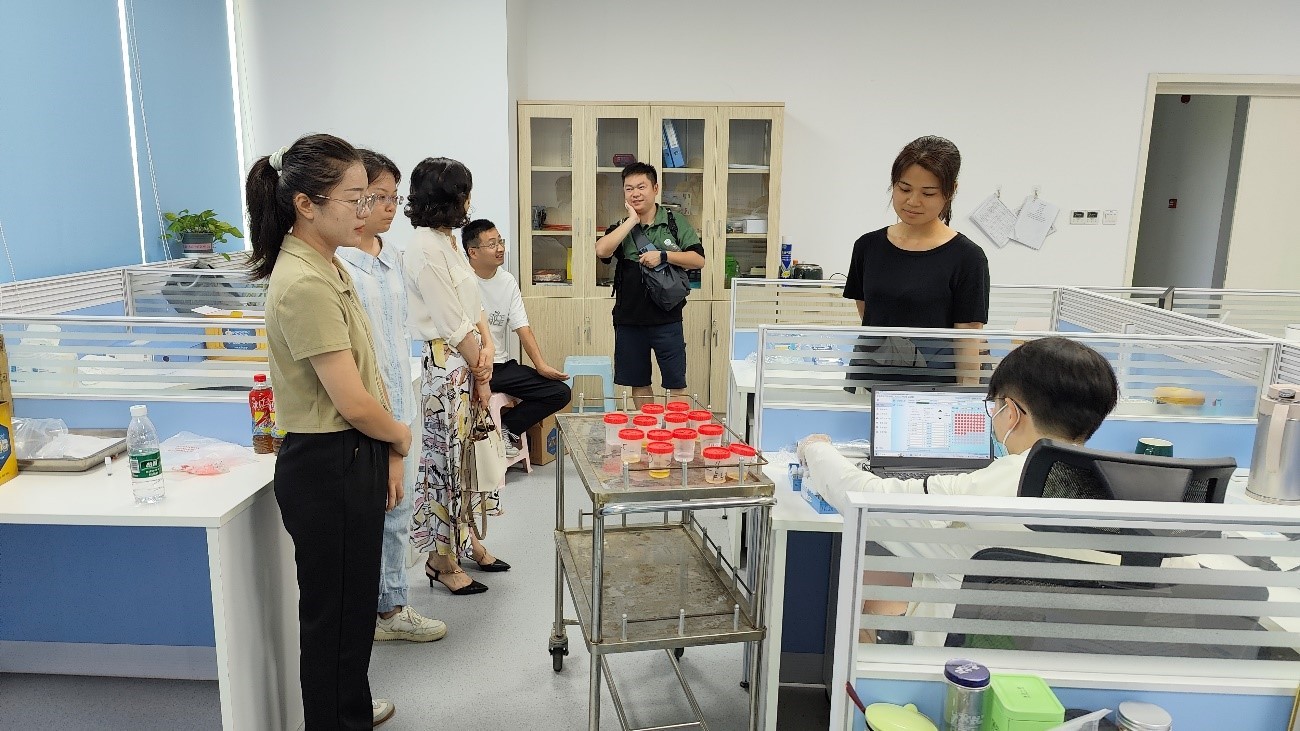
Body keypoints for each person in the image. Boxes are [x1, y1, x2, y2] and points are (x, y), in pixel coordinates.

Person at [798, 336, 1119, 646]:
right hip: (1063, 667)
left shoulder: (978, 492)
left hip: (961, 671)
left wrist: (816, 449)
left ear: (1011, 413)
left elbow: (862, 497)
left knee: (867, 598)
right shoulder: (1119, 488)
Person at [247, 134, 411, 727]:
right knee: (334, 621)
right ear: (306, 205)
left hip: (351, 456)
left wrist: (388, 451)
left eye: (371, 197)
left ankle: (351, 711)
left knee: (349, 614)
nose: (366, 210)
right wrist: (399, 437)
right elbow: (352, 400)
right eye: (355, 197)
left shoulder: (328, 264)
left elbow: (371, 369)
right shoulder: (305, 282)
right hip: (328, 463)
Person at [335, 150, 447, 643]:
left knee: (399, 511)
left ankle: (391, 604)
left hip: (403, 396)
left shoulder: (392, 256)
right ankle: (386, 609)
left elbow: (401, 333)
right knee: (382, 511)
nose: (387, 207)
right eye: (378, 196)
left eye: (393, 198)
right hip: (367, 406)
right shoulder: (340, 264)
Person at [403, 157, 509, 597]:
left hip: (468, 362)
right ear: (451, 198)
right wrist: (482, 374)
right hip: (447, 369)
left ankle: (468, 542)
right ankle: (441, 560)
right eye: (465, 191)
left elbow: (474, 306)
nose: (470, 199)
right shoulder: (424, 249)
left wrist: (488, 353)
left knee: (467, 460)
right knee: (446, 464)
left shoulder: (447, 241)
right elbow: (450, 322)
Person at [842, 136, 990, 383]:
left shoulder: (968, 257)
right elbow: (868, 312)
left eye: (928, 193)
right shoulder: (867, 247)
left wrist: (967, 397)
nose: (912, 202)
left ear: (951, 191)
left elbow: (968, 335)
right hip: (872, 377)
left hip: (935, 387)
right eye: (904, 189)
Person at [595, 162, 706, 403]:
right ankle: (647, 428)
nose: (635, 193)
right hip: (630, 320)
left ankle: (675, 429)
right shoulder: (621, 228)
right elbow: (602, 250)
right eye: (629, 188)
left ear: (655, 188)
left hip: (667, 319)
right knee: (639, 383)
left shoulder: (674, 222)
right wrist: (631, 221)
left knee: (676, 384)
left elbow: (698, 260)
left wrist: (664, 256)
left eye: (641, 187)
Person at [462, 218, 572, 454]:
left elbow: (523, 328)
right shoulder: (461, 279)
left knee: (560, 392)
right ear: (473, 252)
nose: (500, 248)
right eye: (492, 244)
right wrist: (479, 371)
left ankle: (507, 428)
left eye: (500, 241)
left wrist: (541, 365)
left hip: (500, 367)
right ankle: (486, 440)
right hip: (468, 367)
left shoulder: (507, 281)